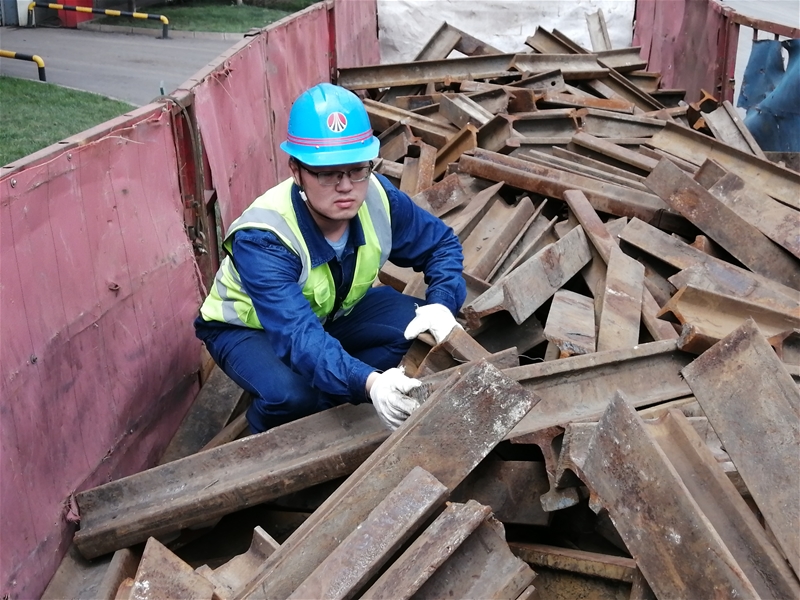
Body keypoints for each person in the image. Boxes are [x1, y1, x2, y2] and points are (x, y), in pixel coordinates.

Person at [195, 82, 466, 433]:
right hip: (249, 330)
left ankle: (337, 404)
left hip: (330, 315)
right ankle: (264, 439)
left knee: (417, 326)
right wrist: (371, 383)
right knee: (292, 395)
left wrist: (443, 303)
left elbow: (441, 244)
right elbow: (297, 335)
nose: (346, 186)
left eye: (357, 169)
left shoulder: (378, 198)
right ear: (296, 171)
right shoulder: (265, 238)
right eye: (327, 173)